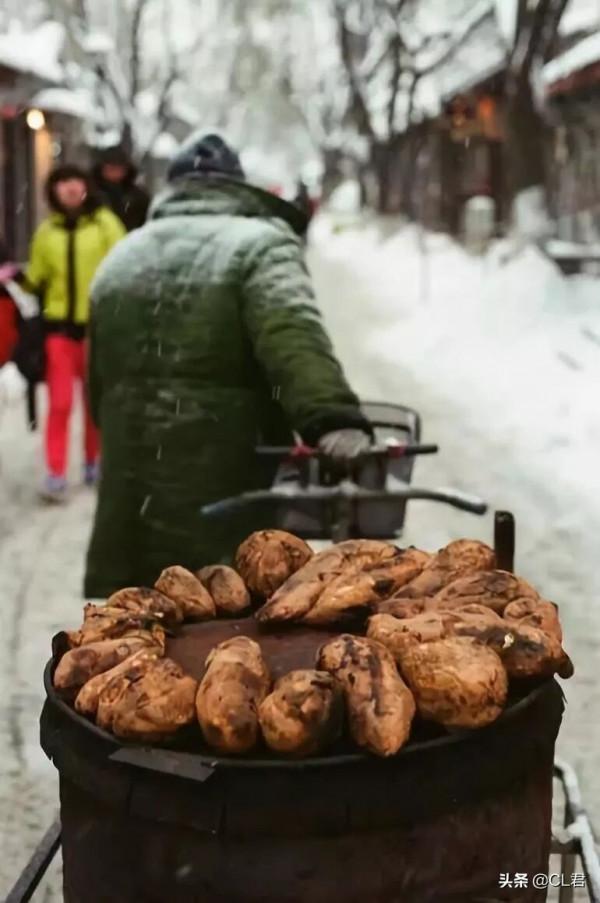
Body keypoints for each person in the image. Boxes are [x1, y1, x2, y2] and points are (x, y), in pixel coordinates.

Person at [84, 131, 373, 598]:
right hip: (228, 489)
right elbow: (291, 334)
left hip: (131, 501)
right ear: (236, 187)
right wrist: (331, 418)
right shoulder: (259, 245)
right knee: (231, 640)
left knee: (140, 648)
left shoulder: (122, 257)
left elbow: (97, 389)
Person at [25, 165, 126, 502]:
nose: (68, 189)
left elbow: (125, 266)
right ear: (52, 191)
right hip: (58, 331)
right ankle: (55, 472)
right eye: (61, 183)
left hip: (97, 330)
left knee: (93, 402)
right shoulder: (45, 233)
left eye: (74, 182)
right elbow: (35, 280)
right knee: (60, 402)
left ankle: (93, 462)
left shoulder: (105, 225)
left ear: (86, 187)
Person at [92, 146, 150, 232]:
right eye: (111, 168)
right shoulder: (91, 194)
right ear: (101, 168)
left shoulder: (138, 196)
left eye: (119, 168)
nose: (115, 172)